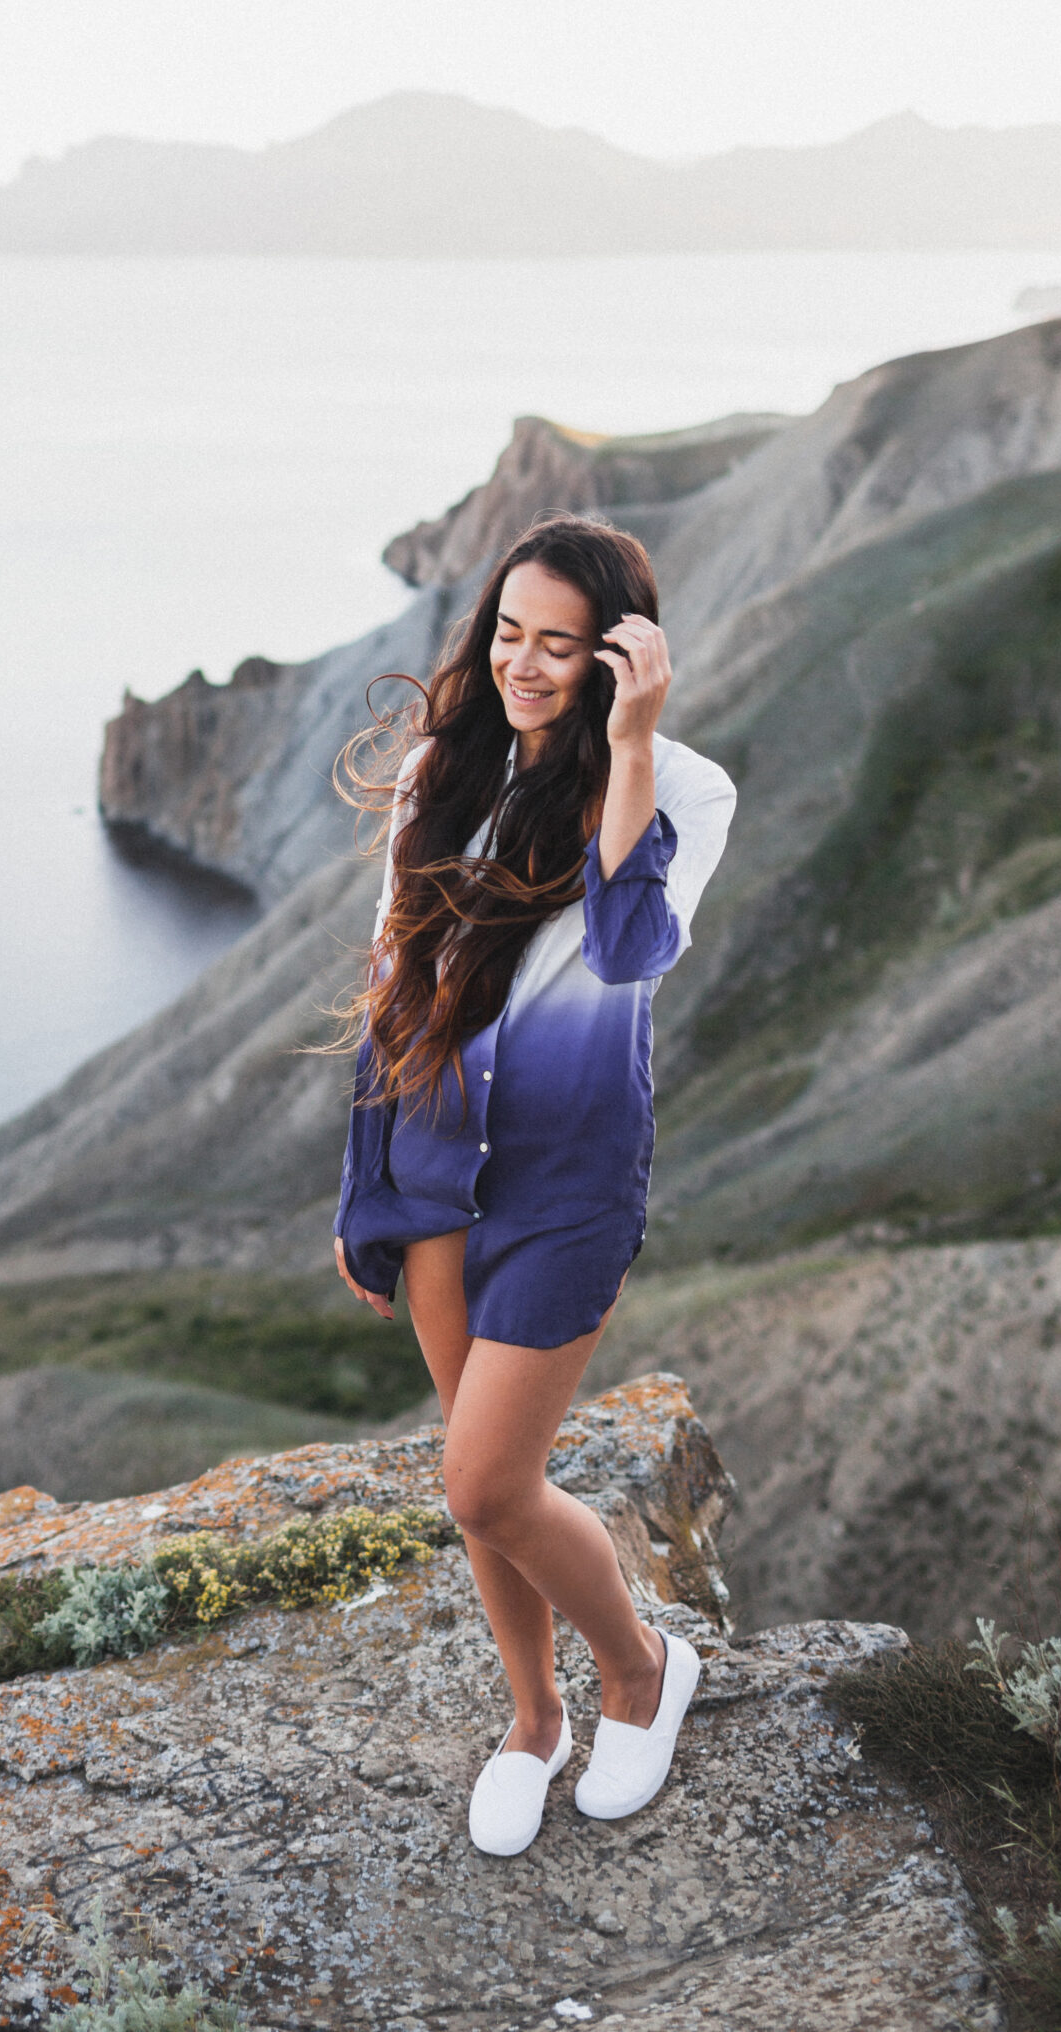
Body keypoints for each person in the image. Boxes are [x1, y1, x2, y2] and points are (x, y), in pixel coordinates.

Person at [332, 513, 735, 1859]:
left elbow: (628, 951)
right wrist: (365, 1188)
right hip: (437, 1164)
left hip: (569, 1188)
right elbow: (395, 982)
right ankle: (533, 1718)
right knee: (473, 1476)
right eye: (509, 632)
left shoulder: (685, 789)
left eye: (559, 645)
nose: (522, 663)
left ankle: (640, 1671)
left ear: (620, 656)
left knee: (487, 1483)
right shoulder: (447, 771)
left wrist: (624, 751)